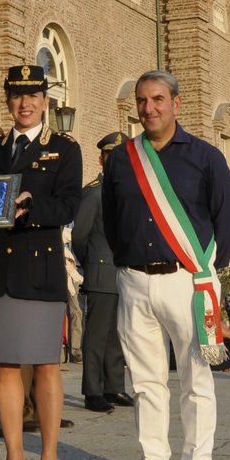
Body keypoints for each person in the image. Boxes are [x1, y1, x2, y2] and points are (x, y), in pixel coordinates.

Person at [101, 70, 230, 460]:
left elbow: (228, 219)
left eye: (158, 99)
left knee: (196, 378)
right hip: (135, 281)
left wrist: (207, 272)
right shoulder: (123, 158)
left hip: (187, 282)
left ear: (176, 104)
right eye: (142, 101)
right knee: (145, 381)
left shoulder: (206, 156)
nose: (149, 109)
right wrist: (127, 265)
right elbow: (110, 217)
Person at [0, 65, 82, 460]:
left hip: (39, 268)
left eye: (33, 95)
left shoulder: (64, 150)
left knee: (47, 367)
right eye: (17, 96)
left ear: (45, 101)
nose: (25, 103)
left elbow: (70, 204)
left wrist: (33, 207)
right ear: (9, 100)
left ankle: (49, 458)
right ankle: (14, 458)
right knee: (5, 366)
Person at [73, 131, 131, 414]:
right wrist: (92, 264)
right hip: (102, 271)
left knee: (119, 335)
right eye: (112, 157)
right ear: (102, 159)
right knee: (96, 335)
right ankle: (93, 390)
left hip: (126, 274)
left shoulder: (130, 190)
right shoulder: (94, 193)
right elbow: (80, 236)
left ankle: (115, 386)